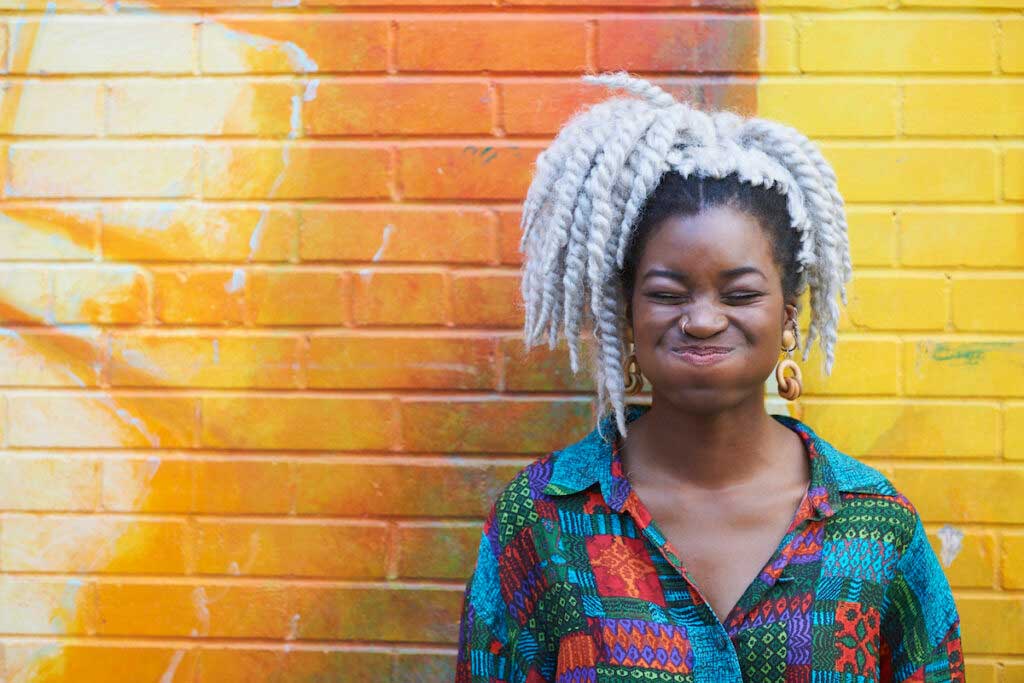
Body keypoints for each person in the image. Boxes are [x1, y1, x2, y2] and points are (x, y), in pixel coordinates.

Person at [454, 71, 964, 683]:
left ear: (788, 315)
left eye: (740, 292)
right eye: (668, 293)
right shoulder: (539, 521)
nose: (701, 320)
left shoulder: (875, 525)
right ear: (628, 312)